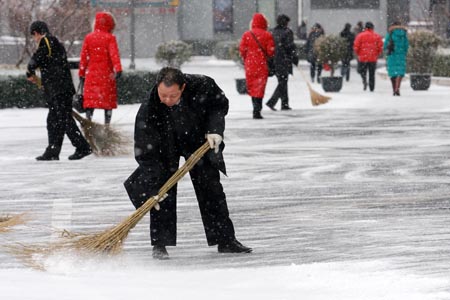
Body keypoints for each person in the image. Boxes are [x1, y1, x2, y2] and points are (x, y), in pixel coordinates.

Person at [124, 67, 252, 260]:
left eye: (172, 95)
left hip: (198, 138)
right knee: (162, 191)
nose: (167, 100)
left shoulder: (203, 85)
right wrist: (151, 185)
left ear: (183, 87)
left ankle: (225, 240)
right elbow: (145, 150)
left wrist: (215, 129)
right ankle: (160, 243)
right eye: (163, 95)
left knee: (211, 188)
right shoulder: (150, 108)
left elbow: (218, 106)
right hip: (164, 144)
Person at [26, 21, 92, 161]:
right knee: (54, 120)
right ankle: (53, 151)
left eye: (34, 36)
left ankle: (82, 147)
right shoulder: (54, 43)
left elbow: (38, 57)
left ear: (36, 33)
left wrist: (30, 69)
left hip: (59, 89)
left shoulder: (47, 41)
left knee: (64, 119)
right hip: (58, 88)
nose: (34, 39)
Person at [79, 12, 122, 125]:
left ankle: (88, 123)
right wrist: (118, 69)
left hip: (91, 75)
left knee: (90, 102)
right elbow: (114, 55)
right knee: (107, 103)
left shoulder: (89, 38)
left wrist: (81, 73)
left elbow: (84, 58)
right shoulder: (110, 38)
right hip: (106, 75)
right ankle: (107, 125)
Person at [239, 13, 275, 119]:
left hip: (250, 65)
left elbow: (242, 50)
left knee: (252, 87)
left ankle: (254, 107)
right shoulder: (267, 35)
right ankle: (257, 110)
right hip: (262, 65)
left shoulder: (247, 34)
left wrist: (247, 58)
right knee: (260, 88)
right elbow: (270, 52)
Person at [266, 14, 299, 111]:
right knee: (283, 82)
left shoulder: (272, 32)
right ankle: (272, 102)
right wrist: (295, 58)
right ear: (285, 22)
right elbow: (290, 47)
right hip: (284, 61)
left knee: (282, 82)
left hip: (274, 61)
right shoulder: (287, 32)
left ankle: (284, 104)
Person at [353, 22, 383, 92]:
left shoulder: (360, 35)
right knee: (372, 73)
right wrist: (377, 54)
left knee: (362, 71)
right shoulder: (377, 36)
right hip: (373, 57)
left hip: (363, 57)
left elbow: (356, 46)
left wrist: (358, 54)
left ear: (365, 28)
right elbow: (380, 47)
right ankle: (371, 87)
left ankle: (364, 80)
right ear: (372, 28)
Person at [384, 21, 409, 96]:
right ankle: (397, 88)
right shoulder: (404, 33)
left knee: (392, 73)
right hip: (401, 55)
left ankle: (394, 89)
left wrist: (386, 50)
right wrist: (404, 52)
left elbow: (385, 44)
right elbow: (406, 45)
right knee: (400, 73)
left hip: (392, 55)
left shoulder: (390, 33)